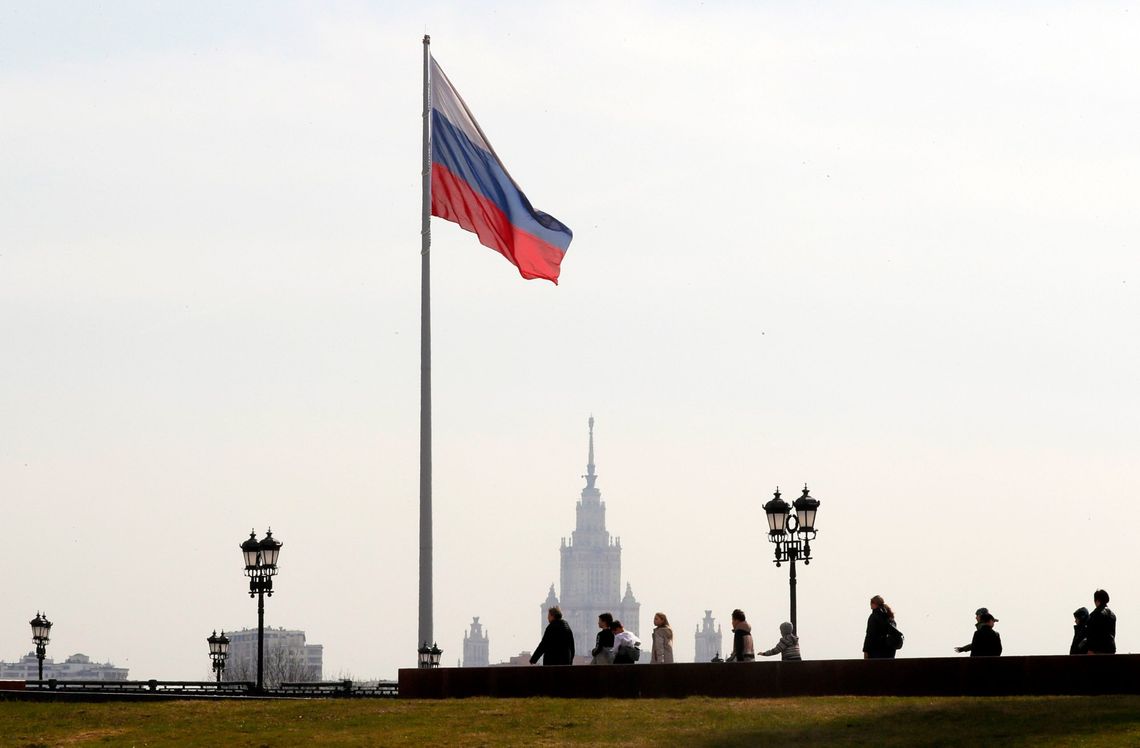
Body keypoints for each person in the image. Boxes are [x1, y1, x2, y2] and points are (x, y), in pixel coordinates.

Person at [862, 595, 897, 659]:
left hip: (876, 652)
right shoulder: (889, 617)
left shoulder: (874, 617)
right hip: (890, 652)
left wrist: (865, 651)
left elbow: (869, 635)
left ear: (873, 604)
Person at [1086, 589, 1117, 654]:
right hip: (1110, 648)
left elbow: (1092, 633)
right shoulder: (1112, 615)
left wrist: (1090, 649)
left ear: (1097, 601)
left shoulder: (1095, 614)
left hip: (1098, 650)